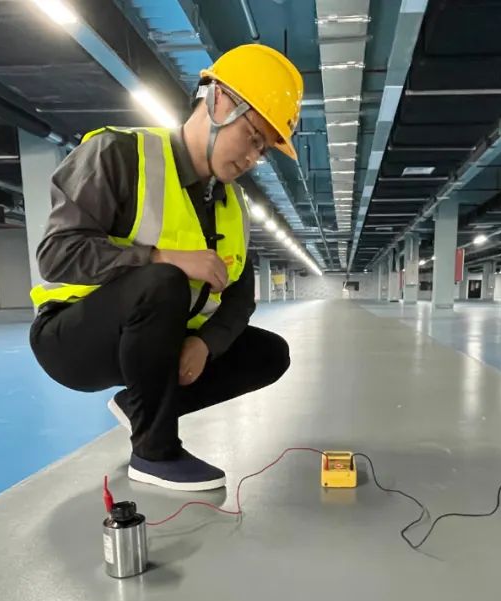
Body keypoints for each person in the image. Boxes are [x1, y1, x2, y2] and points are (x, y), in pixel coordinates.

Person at [28, 44, 304, 492]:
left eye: (264, 150)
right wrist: (161, 256)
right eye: (253, 137)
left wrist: (205, 344)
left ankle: (142, 406)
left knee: (268, 353)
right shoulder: (118, 155)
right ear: (218, 101)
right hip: (75, 340)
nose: (252, 158)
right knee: (163, 280)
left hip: (156, 346)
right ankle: (154, 452)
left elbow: (240, 295)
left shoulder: (232, 204)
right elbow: (57, 253)